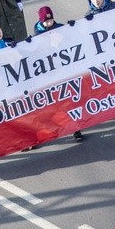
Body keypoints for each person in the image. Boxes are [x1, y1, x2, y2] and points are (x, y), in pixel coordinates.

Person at [31, 8, 88, 138]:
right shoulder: (36, 38)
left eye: (51, 20)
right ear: (41, 21)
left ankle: (76, 128)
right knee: (58, 106)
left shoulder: (61, 28)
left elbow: (72, 41)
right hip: (51, 76)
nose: (50, 23)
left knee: (71, 101)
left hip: (65, 72)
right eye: (46, 21)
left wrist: (73, 28)